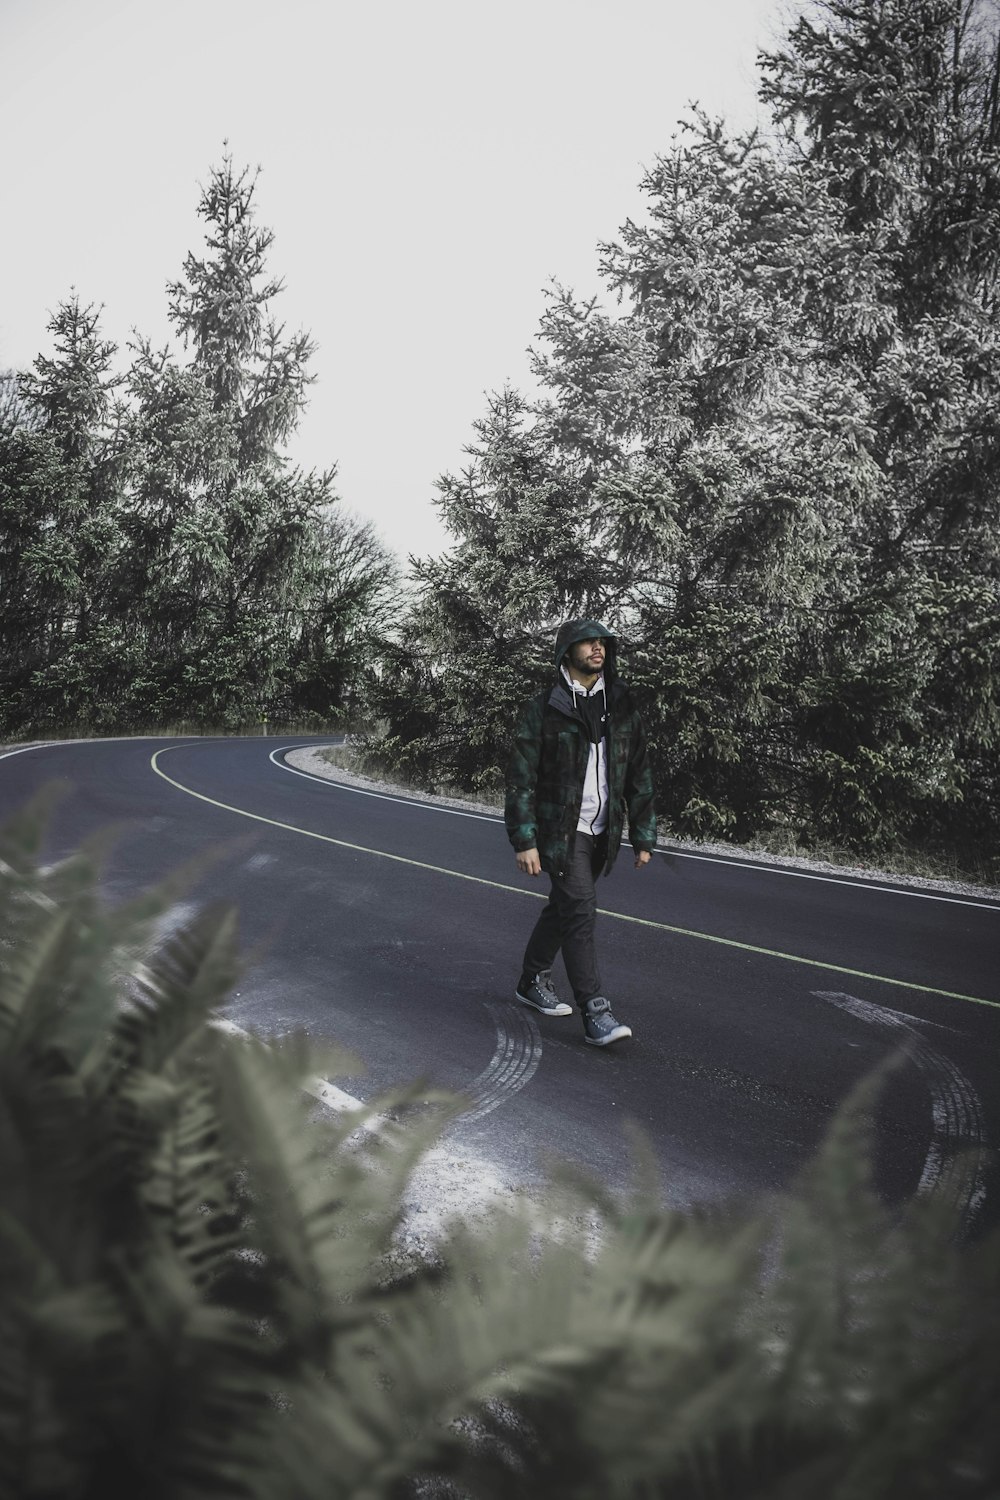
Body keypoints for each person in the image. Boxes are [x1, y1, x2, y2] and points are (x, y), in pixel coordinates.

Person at [505, 619, 657, 1046]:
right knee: (580, 911)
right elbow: (521, 779)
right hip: (561, 830)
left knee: (564, 905)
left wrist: (643, 835)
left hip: (601, 830)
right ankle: (596, 1012)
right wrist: (525, 839)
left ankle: (531, 979)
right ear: (567, 650)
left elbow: (639, 775)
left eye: (602, 643)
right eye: (588, 642)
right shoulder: (545, 707)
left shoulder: (620, 705)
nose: (598, 648)